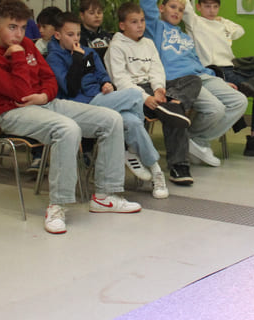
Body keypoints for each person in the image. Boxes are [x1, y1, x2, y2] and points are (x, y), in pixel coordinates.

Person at [0, 0, 141, 235]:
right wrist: (19, 56)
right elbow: (19, 94)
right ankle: (57, 205)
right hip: (11, 112)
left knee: (110, 119)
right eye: (13, 27)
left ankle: (105, 195)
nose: (19, 34)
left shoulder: (27, 45)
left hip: (45, 104)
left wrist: (43, 96)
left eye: (23, 27)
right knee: (67, 129)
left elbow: (49, 79)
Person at [142, 0, 247, 170]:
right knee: (216, 109)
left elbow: (195, 63)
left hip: (201, 75)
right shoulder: (155, 28)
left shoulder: (184, 35)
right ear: (161, 9)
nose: (177, 12)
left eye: (180, 10)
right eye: (172, 7)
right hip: (180, 81)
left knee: (240, 101)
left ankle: (195, 139)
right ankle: (195, 141)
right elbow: (147, 5)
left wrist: (215, 77)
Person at [47, 12, 169, 199]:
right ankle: (131, 148)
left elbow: (97, 73)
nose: (76, 39)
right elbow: (69, 88)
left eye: (78, 34)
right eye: (70, 35)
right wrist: (77, 60)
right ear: (58, 35)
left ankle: (155, 170)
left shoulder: (87, 53)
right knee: (135, 94)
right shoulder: (55, 58)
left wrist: (106, 83)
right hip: (80, 106)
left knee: (132, 123)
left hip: (99, 97)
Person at [182, 0, 254, 158]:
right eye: (207, 6)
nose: (212, 11)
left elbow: (240, 31)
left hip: (234, 67)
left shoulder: (221, 23)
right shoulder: (194, 22)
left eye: (215, 6)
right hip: (217, 71)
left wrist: (224, 23)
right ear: (198, 7)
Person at [105, 2, 196, 185]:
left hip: (154, 88)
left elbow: (157, 69)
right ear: (122, 25)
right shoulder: (116, 47)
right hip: (134, 92)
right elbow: (121, 81)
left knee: (193, 80)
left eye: (142, 21)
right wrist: (146, 98)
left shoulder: (148, 43)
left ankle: (172, 102)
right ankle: (179, 165)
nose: (140, 25)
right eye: (134, 22)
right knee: (174, 115)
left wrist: (159, 89)